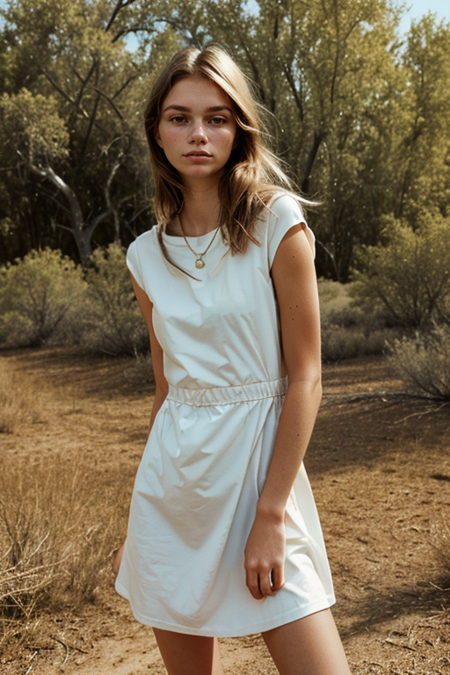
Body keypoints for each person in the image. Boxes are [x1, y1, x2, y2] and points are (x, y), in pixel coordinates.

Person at [113, 45, 351, 675]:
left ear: (239, 129)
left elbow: (306, 377)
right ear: (156, 131)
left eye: (217, 117)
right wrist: (144, 518)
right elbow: (167, 391)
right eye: (179, 117)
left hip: (259, 476)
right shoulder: (144, 255)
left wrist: (270, 515)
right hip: (175, 491)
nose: (198, 133)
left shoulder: (277, 222)